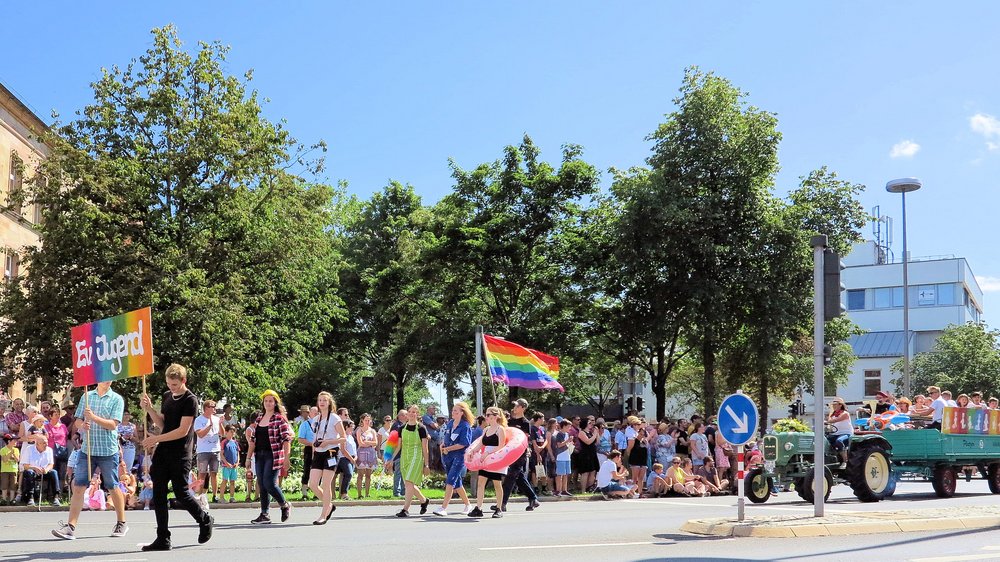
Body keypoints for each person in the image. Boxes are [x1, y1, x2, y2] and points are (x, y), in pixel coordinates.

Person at [138, 363, 214, 551]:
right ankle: (163, 537)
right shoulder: (166, 397)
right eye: (169, 384)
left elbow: (182, 430)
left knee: (181, 493)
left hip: (180, 453)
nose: (171, 387)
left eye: (175, 384)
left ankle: (204, 519)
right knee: (159, 494)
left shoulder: (191, 400)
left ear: (183, 381)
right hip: (163, 453)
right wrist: (149, 410)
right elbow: (163, 424)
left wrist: (156, 439)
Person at [52, 381, 128, 541]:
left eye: (110, 377)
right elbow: (78, 420)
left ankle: (121, 522)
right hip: (87, 451)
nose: (107, 380)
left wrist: (93, 417)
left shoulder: (117, 399)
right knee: (78, 486)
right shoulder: (87, 396)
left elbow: (113, 425)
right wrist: (82, 424)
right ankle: (70, 527)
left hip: (108, 450)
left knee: (112, 486)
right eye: (104, 376)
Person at [245, 390, 294, 525]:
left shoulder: (279, 418)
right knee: (261, 484)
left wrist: (287, 458)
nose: (268, 403)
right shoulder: (259, 418)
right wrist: (248, 458)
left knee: (269, 483)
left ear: (275, 403)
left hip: (273, 455)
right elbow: (253, 440)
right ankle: (264, 514)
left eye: (270, 401)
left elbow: (286, 439)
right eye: (266, 401)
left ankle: (284, 505)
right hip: (259, 455)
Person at [302, 391, 345, 525]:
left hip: (331, 451)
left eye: (324, 400)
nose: (322, 402)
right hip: (319, 453)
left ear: (329, 403)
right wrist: (315, 449)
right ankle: (329, 506)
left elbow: (343, 438)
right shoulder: (316, 419)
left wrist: (328, 442)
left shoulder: (334, 418)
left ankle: (323, 514)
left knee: (326, 485)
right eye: (320, 400)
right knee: (313, 484)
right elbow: (315, 437)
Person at [388, 404, 431, 517]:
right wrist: (391, 459)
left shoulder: (421, 428)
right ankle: (423, 500)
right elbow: (398, 446)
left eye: (414, 412)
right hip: (404, 458)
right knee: (409, 484)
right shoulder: (402, 428)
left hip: (416, 457)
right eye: (410, 412)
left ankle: (405, 509)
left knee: (408, 483)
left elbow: (425, 448)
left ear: (417, 414)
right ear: (407, 414)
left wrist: (426, 465)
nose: (412, 414)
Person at [467, 406, 508, 518]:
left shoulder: (500, 429)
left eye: (489, 415)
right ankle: (478, 508)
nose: (486, 417)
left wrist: (488, 453)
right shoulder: (485, 430)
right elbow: (481, 444)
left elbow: (501, 446)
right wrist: (473, 451)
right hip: (485, 460)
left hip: (496, 459)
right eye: (486, 414)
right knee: (481, 483)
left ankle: (499, 508)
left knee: (497, 484)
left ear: (496, 416)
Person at [434, 401, 473, 516]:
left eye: (456, 410)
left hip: (459, 457)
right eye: (453, 410)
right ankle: (468, 505)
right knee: (457, 483)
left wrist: (449, 449)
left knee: (450, 480)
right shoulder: (450, 423)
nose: (453, 412)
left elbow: (464, 443)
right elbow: (446, 437)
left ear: (462, 412)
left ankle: (443, 507)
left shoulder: (465, 426)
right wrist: (443, 445)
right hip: (447, 456)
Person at [501, 398, 540, 511]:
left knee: (511, 476)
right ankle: (533, 498)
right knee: (519, 477)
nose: (515, 408)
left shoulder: (525, 423)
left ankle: (502, 503)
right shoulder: (509, 421)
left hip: (519, 453)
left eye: (517, 406)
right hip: (509, 452)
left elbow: (524, 438)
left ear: (523, 408)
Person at [193, 400, 222, 502]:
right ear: (206, 408)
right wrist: (209, 426)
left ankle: (215, 495)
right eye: (212, 406)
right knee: (202, 473)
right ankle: (200, 495)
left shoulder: (216, 419)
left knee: (214, 473)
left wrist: (221, 424)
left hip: (215, 449)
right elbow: (200, 434)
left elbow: (221, 433)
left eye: (215, 407)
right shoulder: (198, 420)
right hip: (203, 451)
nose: (214, 408)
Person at [19, 430, 58, 506]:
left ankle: (56, 497)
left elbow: (51, 464)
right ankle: (31, 497)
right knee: (29, 472)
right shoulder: (29, 449)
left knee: (54, 472)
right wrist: (35, 468)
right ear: (37, 444)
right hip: (33, 470)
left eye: (46, 442)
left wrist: (46, 469)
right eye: (43, 443)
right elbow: (25, 465)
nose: (46, 445)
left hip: (44, 471)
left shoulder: (49, 450)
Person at [46, 408, 70, 497]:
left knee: (62, 472)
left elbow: (65, 438)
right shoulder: (46, 426)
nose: (58, 416)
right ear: (50, 416)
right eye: (55, 414)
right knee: (52, 472)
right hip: (50, 452)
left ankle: (59, 493)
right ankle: (50, 493)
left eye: (58, 414)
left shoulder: (63, 426)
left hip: (62, 451)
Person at [354, 413, 378, 499]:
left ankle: (367, 493)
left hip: (371, 453)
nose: (367, 422)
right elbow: (360, 443)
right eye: (366, 420)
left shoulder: (372, 431)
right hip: (362, 453)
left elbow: (376, 442)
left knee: (368, 474)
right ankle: (359, 494)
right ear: (362, 421)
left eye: (369, 420)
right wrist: (369, 443)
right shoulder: (359, 430)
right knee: (360, 474)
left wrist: (367, 443)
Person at [826, 397, 854, 468]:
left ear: (840, 405)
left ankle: (845, 461)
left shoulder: (845, 414)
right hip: (835, 433)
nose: (833, 406)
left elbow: (836, 420)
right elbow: (830, 422)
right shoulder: (833, 415)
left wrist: (826, 421)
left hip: (846, 433)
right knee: (824, 440)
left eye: (835, 404)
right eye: (833, 405)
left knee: (839, 441)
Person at [575, 416, 599, 495]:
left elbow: (597, 442)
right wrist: (595, 434)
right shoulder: (582, 432)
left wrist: (596, 433)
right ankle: (583, 490)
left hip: (592, 453)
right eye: (589, 423)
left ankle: (590, 488)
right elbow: (588, 442)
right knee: (585, 472)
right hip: (585, 454)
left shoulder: (591, 433)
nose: (591, 424)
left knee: (592, 471)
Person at [626, 418, 649, 496]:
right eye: (641, 434)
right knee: (634, 478)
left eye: (643, 434)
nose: (642, 435)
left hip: (643, 460)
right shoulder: (634, 440)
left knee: (641, 478)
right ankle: (632, 492)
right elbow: (630, 449)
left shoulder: (644, 441)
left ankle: (640, 493)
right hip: (635, 459)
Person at [336, 420, 357, 501]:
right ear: (346, 427)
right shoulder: (343, 436)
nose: (353, 429)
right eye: (351, 427)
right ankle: (343, 494)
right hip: (344, 458)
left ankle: (344, 493)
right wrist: (351, 459)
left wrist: (355, 457)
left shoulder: (351, 437)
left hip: (351, 458)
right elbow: (343, 450)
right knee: (348, 474)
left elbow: (354, 449)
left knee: (348, 475)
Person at [389, 409, 408, 497]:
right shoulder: (396, 426)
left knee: (404, 473)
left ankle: (404, 491)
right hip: (398, 453)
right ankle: (397, 492)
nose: (407, 416)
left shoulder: (403, 425)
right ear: (400, 416)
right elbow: (393, 441)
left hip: (403, 452)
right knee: (398, 473)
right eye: (405, 415)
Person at [551, 419, 572, 497]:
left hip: (567, 456)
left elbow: (567, 444)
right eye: (568, 426)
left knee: (566, 474)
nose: (569, 428)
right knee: (559, 474)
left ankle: (564, 490)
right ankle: (558, 490)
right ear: (563, 426)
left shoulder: (567, 434)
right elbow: (559, 445)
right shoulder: (559, 434)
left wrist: (570, 442)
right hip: (560, 456)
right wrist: (567, 441)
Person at [219, 426, 240, 503]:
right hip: (226, 466)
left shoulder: (235, 442)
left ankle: (232, 497)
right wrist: (226, 463)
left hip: (234, 466)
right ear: (226, 432)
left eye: (233, 432)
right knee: (224, 480)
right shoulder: (224, 442)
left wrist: (237, 462)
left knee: (232, 481)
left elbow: (238, 453)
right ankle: (221, 497)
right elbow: (221, 454)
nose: (232, 433)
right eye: (231, 432)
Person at [117, 411, 138, 476]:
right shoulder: (117, 425)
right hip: (119, 448)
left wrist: (131, 437)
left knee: (128, 468)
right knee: (118, 467)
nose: (127, 416)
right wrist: (122, 437)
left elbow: (137, 440)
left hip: (130, 448)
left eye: (128, 414)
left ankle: (126, 483)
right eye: (125, 414)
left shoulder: (132, 426)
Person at [1, 437, 19, 504]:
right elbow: (5, 460)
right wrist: (10, 452)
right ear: (9, 441)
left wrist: (13, 454)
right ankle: (4, 499)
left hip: (14, 470)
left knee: (13, 485)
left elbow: (17, 460)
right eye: (14, 441)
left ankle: (12, 500)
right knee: (4, 485)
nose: (16, 442)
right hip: (4, 470)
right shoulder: (3, 450)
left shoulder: (16, 450)